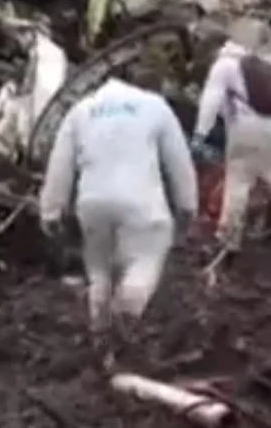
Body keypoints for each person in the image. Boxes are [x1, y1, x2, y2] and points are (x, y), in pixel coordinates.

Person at [38, 73, 198, 355]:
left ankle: (101, 339)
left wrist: (50, 210)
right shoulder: (154, 105)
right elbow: (179, 161)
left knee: (99, 272)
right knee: (144, 260)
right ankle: (125, 317)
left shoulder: (81, 111)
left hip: (92, 204)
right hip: (141, 202)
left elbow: (60, 164)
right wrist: (187, 207)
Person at [191, 33, 271, 255]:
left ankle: (227, 239)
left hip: (246, 128)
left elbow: (210, 101)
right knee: (269, 179)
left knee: (237, 182)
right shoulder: (259, 64)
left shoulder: (223, 66)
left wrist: (199, 135)